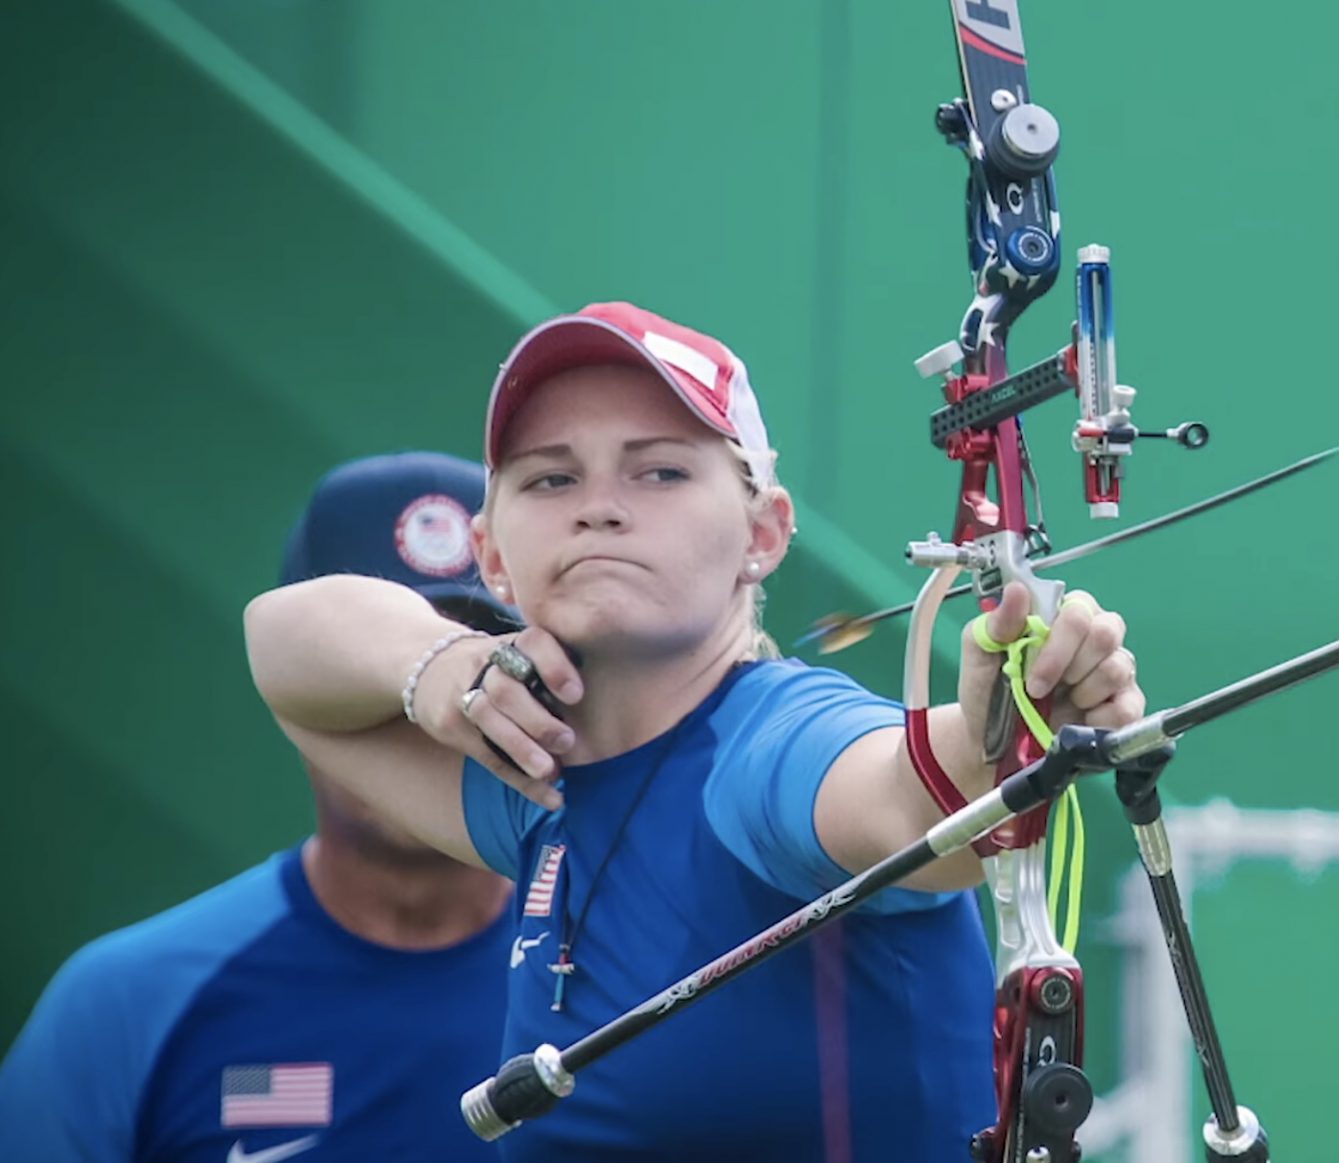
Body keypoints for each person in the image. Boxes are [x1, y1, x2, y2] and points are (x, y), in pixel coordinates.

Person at [238, 301, 1147, 1160]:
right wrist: (436, 665)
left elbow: (914, 794)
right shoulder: (536, 779)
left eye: (661, 470)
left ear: (764, 531)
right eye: (552, 477)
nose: (599, 505)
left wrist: (1002, 731)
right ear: (493, 559)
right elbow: (282, 650)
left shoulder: (769, 751)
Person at [0, 452, 524, 1162]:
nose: (422, 715)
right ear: (295, 681)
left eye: (464, 659)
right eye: (372, 666)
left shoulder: (623, 972)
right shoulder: (123, 1007)